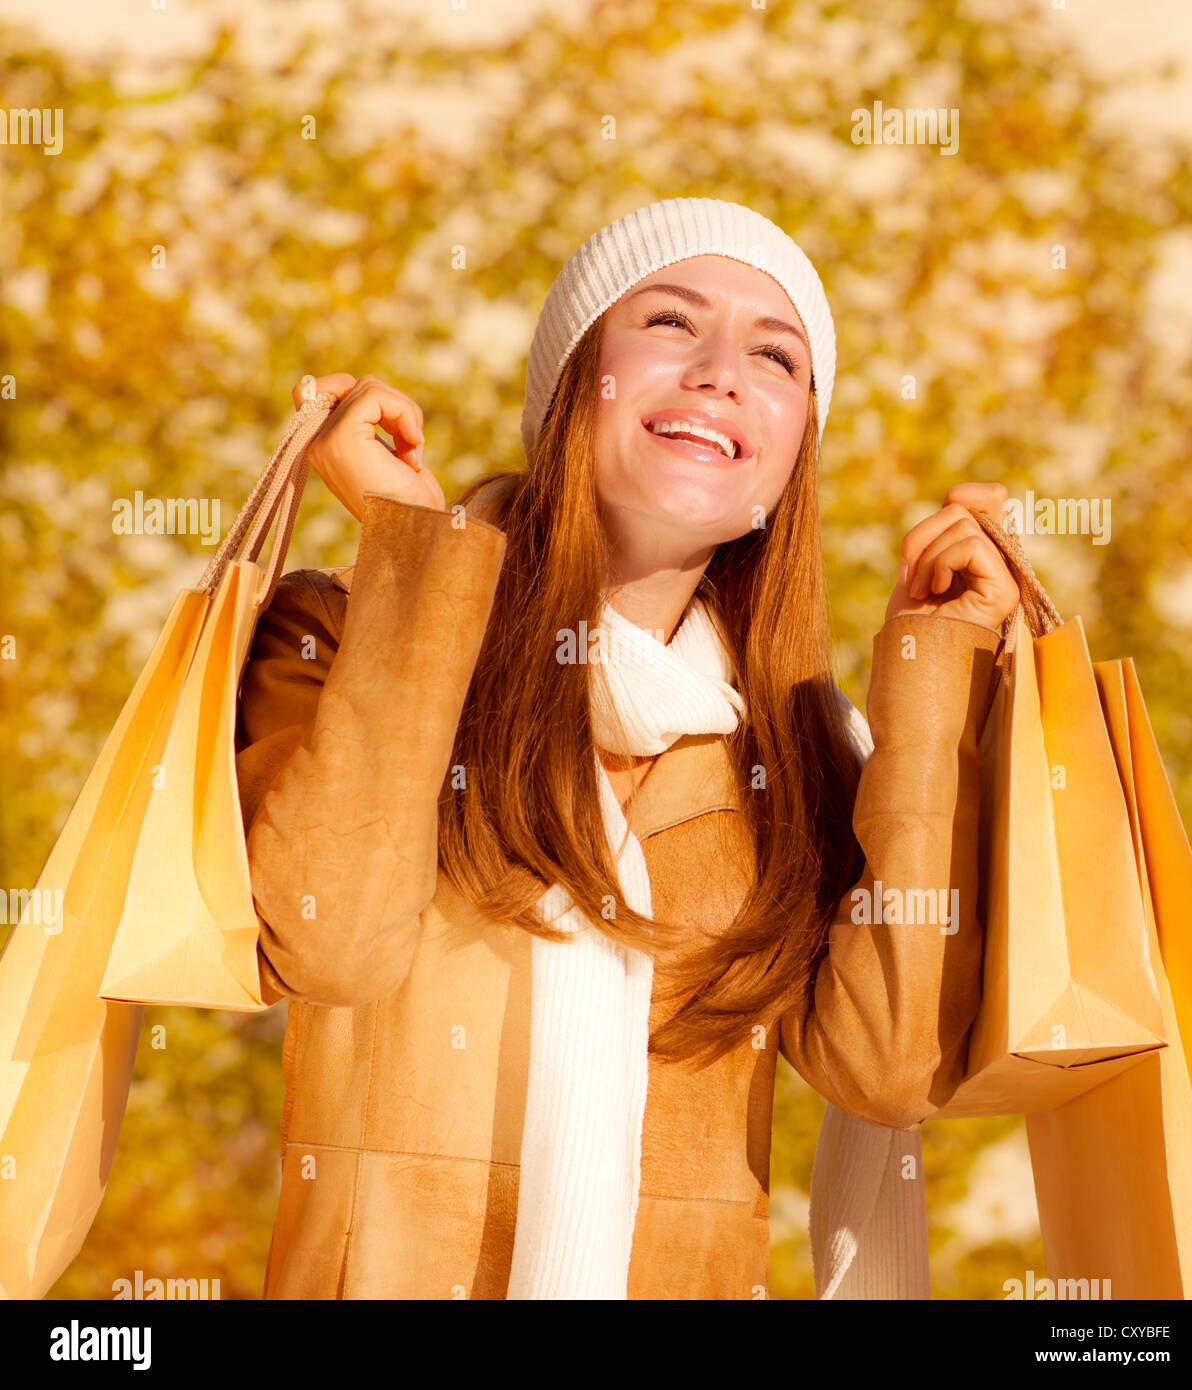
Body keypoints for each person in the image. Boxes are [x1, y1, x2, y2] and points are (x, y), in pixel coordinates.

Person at [234, 196, 1019, 1300]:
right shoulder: (348, 630)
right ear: (570, 384)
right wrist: (413, 555)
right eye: (666, 323)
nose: (718, 373)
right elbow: (331, 945)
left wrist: (933, 681)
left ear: (791, 456)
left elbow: (886, 1068)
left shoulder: (799, 749)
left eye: (775, 356)